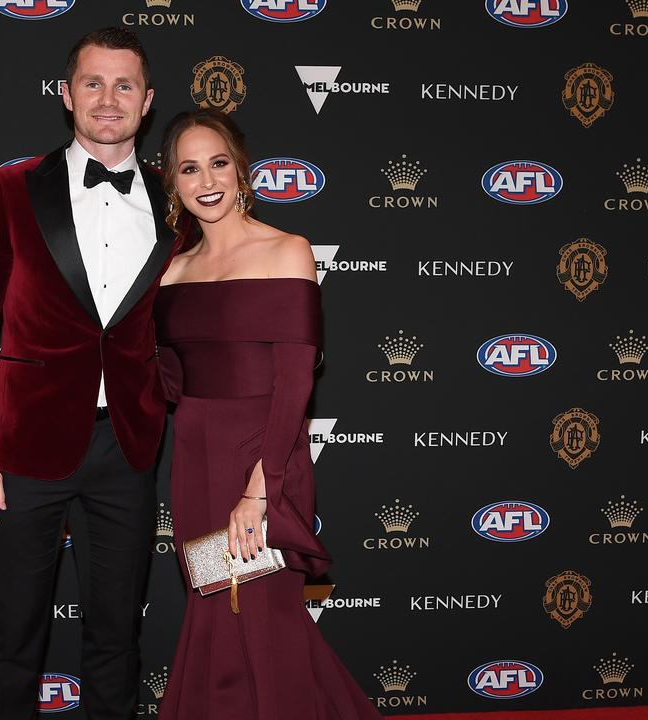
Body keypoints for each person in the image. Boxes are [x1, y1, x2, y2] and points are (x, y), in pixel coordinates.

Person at [0, 28, 176, 720]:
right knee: (14, 639)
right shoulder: (13, 188)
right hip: (21, 450)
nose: (109, 99)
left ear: (148, 100)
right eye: (93, 83)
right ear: (67, 95)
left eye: (124, 84)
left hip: (127, 449)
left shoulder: (174, 203)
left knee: (116, 639)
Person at [153, 109, 382, 720]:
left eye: (218, 163)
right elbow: (165, 381)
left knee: (267, 618)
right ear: (172, 182)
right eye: (189, 167)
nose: (206, 180)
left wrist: (260, 490)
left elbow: (296, 383)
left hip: (265, 455)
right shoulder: (171, 271)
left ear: (241, 170)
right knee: (214, 609)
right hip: (195, 460)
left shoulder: (287, 250)